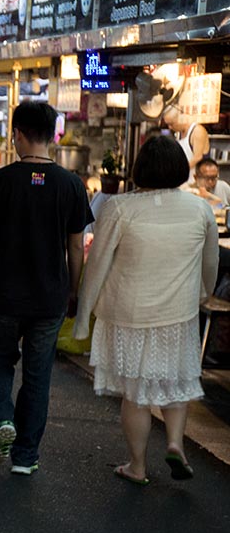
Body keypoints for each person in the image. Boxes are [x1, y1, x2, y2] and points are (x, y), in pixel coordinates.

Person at [75, 136, 218, 485]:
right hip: (179, 314)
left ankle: (137, 467)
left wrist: (82, 316)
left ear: (141, 169)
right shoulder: (200, 209)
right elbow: (210, 262)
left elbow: (97, 266)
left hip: (129, 314)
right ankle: (173, 443)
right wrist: (202, 294)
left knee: (136, 395)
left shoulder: (120, 207)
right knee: (175, 382)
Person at [0, 101, 93, 475]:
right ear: (52, 134)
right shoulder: (72, 185)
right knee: (38, 375)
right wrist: (73, 291)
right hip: (50, 296)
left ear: (17, 133)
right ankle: (25, 457)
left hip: (8, 293)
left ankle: (3, 419)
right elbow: (75, 247)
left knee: (1, 359)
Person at [164, 105, 209, 184]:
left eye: (171, 124)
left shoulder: (197, 131)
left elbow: (197, 157)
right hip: (183, 181)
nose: (169, 127)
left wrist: (179, 172)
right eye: (168, 124)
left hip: (197, 182)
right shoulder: (178, 133)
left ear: (181, 118)